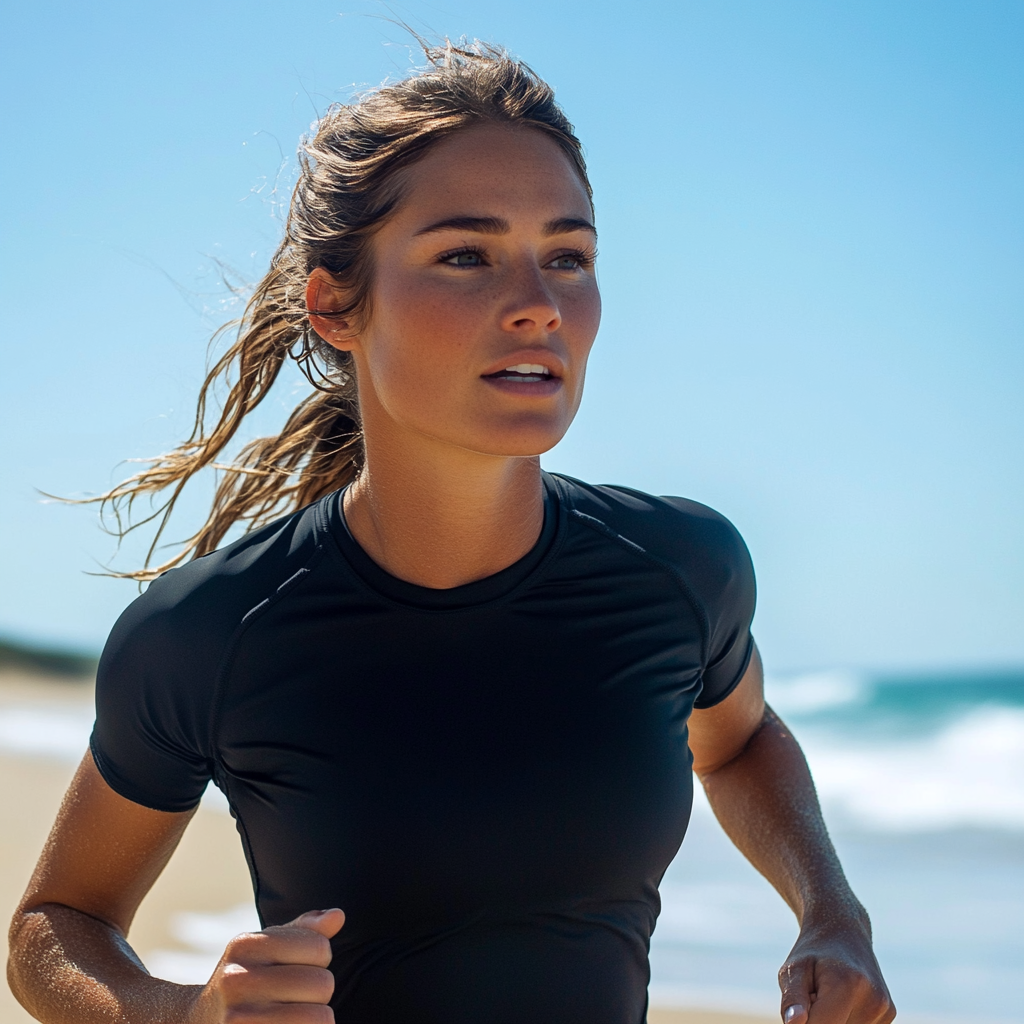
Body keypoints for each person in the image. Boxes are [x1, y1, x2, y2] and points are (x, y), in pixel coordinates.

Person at [7, 43, 895, 1024]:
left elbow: (735, 743)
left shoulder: (683, 569)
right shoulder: (208, 633)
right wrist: (185, 1013)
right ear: (336, 305)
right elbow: (55, 923)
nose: (539, 305)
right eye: (465, 254)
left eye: (569, 256)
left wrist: (830, 911)